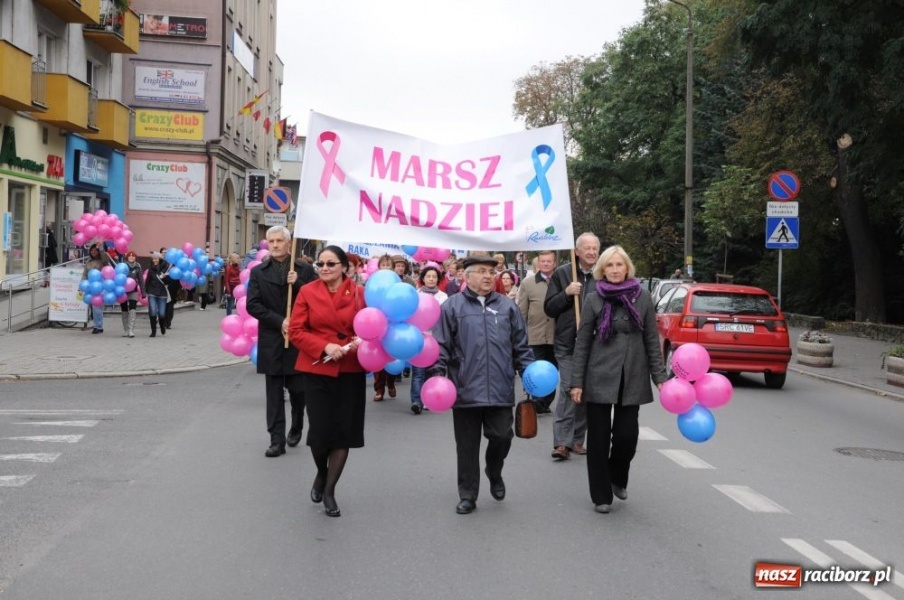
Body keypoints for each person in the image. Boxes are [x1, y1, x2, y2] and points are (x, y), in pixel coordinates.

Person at [432, 255, 534, 515]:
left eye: (492, 272)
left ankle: (494, 468)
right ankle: (468, 494)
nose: (489, 276)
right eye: (482, 271)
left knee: (502, 436)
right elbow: (441, 345)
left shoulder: (507, 307)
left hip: (500, 386)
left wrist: (529, 374)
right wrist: (438, 375)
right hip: (464, 387)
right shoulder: (452, 307)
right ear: (467, 277)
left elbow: (520, 345)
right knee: (466, 446)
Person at [570, 245, 668, 514]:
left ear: (627, 268)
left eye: (619, 265)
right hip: (599, 375)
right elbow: (582, 344)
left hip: (632, 374)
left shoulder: (643, 297)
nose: (614, 270)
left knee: (627, 436)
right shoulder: (593, 299)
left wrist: (659, 376)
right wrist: (576, 381)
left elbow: (651, 339)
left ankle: (617, 476)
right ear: (603, 269)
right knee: (599, 439)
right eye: (610, 265)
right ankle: (601, 495)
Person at [288, 245, 366, 518]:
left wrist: (360, 342)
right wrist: (324, 346)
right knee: (319, 433)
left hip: (350, 369)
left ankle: (330, 490)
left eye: (331, 264)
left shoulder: (359, 293)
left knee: (343, 431)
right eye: (320, 264)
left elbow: (372, 327)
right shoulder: (308, 291)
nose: (324, 268)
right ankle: (322, 472)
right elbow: (296, 331)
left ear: (345, 267)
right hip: (317, 367)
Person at [246, 226, 317, 457]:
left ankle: (297, 426)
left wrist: (298, 284)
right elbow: (253, 305)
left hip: (298, 339)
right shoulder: (259, 272)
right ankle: (276, 440)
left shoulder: (304, 270)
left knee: (298, 389)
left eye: (279, 241)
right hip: (272, 338)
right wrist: (279, 321)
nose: (275, 245)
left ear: (289, 243)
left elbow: (317, 300)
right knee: (274, 393)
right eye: (271, 241)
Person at [544, 232, 600, 460]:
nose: (591, 252)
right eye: (586, 248)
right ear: (576, 251)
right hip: (567, 344)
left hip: (595, 345)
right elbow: (549, 308)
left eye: (595, 248)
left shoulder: (603, 274)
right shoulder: (563, 273)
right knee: (569, 390)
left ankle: (578, 438)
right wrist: (567, 294)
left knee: (586, 391)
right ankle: (562, 443)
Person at [517, 250, 557, 414]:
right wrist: (520, 334)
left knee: (552, 370)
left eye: (549, 261)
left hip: (556, 336)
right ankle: (537, 400)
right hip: (534, 335)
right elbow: (522, 311)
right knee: (535, 370)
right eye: (543, 261)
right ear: (538, 263)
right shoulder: (528, 283)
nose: (546, 264)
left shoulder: (561, 281)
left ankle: (546, 402)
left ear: (554, 263)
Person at [409, 265, 448, 414]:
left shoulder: (443, 297)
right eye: (428, 276)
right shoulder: (416, 295)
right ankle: (416, 401)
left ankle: (429, 400)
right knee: (418, 372)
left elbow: (444, 318)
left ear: (438, 279)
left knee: (434, 371)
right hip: (418, 338)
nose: (431, 279)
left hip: (437, 339)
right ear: (423, 278)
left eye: (434, 276)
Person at [371, 254, 397, 401]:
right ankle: (379, 389)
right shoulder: (373, 282)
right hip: (376, 323)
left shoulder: (397, 282)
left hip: (393, 323)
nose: (386, 268)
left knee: (392, 356)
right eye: (383, 265)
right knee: (378, 357)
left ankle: (391, 383)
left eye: (388, 266)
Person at [83, 244, 113, 334]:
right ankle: (99, 326)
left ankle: (97, 326)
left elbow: (106, 258)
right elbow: (85, 274)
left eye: (95, 250)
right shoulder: (88, 261)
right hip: (90, 286)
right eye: (92, 251)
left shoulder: (102, 260)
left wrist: (101, 248)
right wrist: (82, 285)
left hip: (100, 285)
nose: (94, 252)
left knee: (97, 306)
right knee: (95, 307)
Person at [118, 251, 144, 337]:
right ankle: (125, 330)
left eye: (133, 256)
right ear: (127, 257)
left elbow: (141, 280)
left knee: (132, 309)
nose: (131, 257)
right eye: (130, 256)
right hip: (123, 291)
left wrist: (144, 292)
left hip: (134, 290)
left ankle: (131, 330)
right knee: (124, 310)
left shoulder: (138, 266)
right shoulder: (123, 266)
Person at [144, 253, 170, 338]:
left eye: (156, 258)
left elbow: (169, 282)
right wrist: (145, 291)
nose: (155, 260)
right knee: (153, 312)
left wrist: (165, 277)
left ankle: (162, 326)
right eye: (153, 259)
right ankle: (153, 331)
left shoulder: (165, 268)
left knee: (162, 314)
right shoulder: (150, 269)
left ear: (160, 259)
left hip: (162, 293)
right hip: (152, 292)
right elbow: (147, 281)